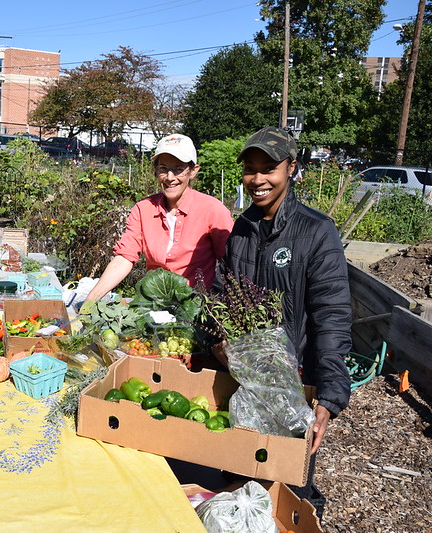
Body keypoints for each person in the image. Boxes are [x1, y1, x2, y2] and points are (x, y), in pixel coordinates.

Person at [215, 125, 352, 516]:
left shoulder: (315, 232)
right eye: (250, 169)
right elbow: (224, 294)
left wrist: (328, 395)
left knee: (289, 485)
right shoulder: (241, 229)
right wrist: (217, 340)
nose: (257, 179)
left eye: (269, 168)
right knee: (240, 478)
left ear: (290, 169)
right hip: (247, 382)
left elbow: (332, 316)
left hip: (295, 386)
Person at [85, 134, 233, 302]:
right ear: (155, 170)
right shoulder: (143, 209)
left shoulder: (212, 210)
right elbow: (124, 258)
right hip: (153, 306)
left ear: (193, 171)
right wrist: (91, 300)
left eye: (178, 169)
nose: (170, 177)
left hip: (197, 308)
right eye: (163, 168)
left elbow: (231, 263)